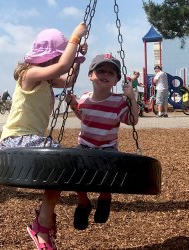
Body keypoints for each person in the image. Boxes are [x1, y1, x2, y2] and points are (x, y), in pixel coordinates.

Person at [0, 23, 88, 250]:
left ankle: (46, 220)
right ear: (48, 57)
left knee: (63, 166)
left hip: (31, 141)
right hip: (15, 141)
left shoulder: (47, 80)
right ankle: (43, 224)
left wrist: (76, 60)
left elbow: (70, 78)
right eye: (57, 58)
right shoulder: (29, 74)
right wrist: (74, 39)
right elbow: (62, 66)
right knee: (62, 159)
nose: (58, 64)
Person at [66, 53, 139, 231]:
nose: (105, 75)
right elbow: (84, 118)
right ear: (91, 75)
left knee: (109, 175)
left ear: (116, 81)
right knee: (74, 173)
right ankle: (84, 203)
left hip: (107, 147)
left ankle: (105, 198)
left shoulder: (119, 102)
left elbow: (132, 120)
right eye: (100, 71)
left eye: (110, 73)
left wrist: (131, 98)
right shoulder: (84, 98)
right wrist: (74, 105)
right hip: (85, 145)